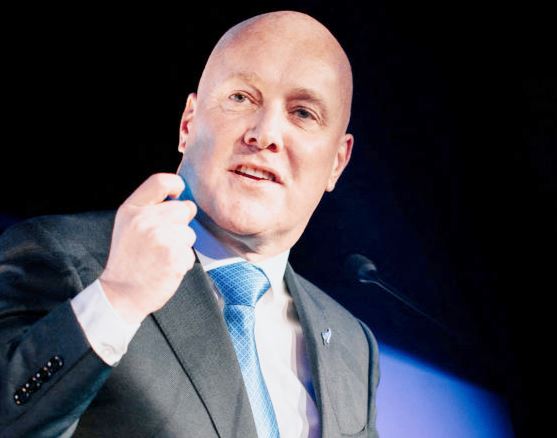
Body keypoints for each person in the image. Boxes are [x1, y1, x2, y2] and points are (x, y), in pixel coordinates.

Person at [0, 10, 379, 438]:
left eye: (303, 113)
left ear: (337, 162)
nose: (265, 134)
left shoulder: (353, 347)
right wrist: (115, 299)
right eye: (242, 97)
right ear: (187, 124)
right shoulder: (65, 259)